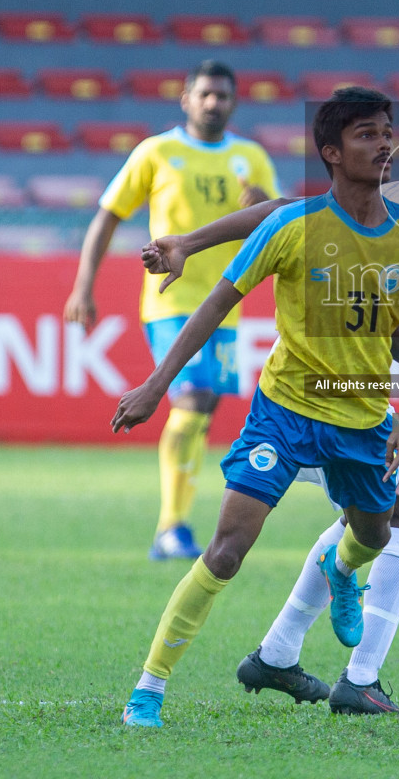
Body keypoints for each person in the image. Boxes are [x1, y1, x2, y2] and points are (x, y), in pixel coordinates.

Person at [139, 83, 399, 714]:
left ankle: (280, 655)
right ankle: (355, 676)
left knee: (388, 516)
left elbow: (368, 283)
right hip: (318, 394)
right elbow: (289, 217)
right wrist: (189, 244)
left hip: (352, 391)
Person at [64, 60, 278, 561]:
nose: (213, 103)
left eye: (222, 96)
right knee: (194, 397)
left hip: (227, 303)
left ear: (234, 103)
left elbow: (278, 214)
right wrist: (83, 285)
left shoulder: (251, 157)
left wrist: (266, 200)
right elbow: (108, 215)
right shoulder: (157, 152)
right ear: (186, 99)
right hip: (171, 300)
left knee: (202, 410)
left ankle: (175, 522)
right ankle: (171, 526)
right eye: (204, 94)